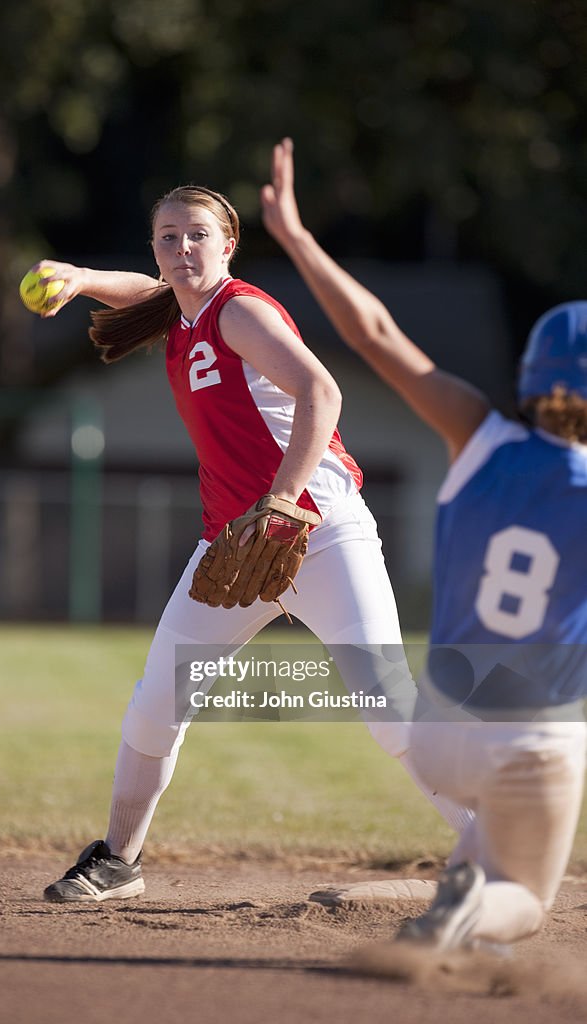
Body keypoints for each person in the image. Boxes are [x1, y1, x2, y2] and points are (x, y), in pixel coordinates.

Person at [28, 181, 471, 902]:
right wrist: (79, 280)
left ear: (227, 244)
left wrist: (282, 500)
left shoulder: (238, 311)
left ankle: (495, 846)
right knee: (155, 705)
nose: (181, 249)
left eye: (197, 234)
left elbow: (321, 391)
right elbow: (144, 288)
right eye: (167, 236)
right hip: (233, 543)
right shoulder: (179, 310)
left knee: (386, 704)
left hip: (319, 530)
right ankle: (118, 860)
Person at [261, 137, 587, 951]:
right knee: (525, 897)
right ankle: (471, 909)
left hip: (442, 725)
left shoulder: (478, 437)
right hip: (534, 734)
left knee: (489, 838)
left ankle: (451, 902)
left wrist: (297, 238)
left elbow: (372, 332)